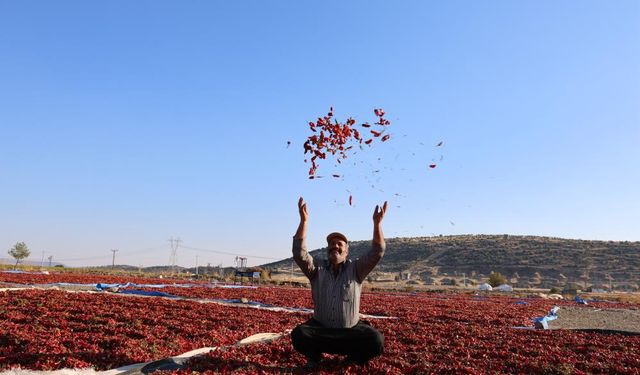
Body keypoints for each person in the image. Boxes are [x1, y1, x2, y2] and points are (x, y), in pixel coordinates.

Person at [290, 197, 388, 369]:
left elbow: (377, 251)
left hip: (350, 332)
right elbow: (299, 253)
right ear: (327, 249)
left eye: (339, 244)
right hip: (322, 331)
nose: (335, 246)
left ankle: (353, 358)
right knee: (299, 334)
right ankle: (315, 358)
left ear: (346, 251)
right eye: (331, 244)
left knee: (376, 340)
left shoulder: (356, 269)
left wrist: (377, 224)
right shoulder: (316, 269)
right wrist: (304, 221)